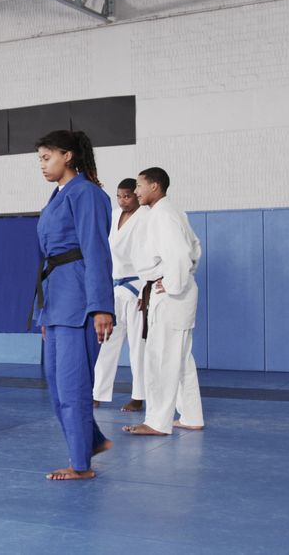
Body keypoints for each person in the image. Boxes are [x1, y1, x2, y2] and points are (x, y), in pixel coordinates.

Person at [32, 130, 114, 480]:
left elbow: (96, 249)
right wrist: (44, 313)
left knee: (72, 385)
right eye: (39, 159)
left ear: (68, 156)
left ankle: (81, 464)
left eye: (46, 157)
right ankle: (92, 439)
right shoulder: (58, 196)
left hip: (79, 299)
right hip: (56, 299)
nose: (42, 165)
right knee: (54, 382)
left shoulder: (87, 194)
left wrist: (101, 306)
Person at [124, 167, 205, 436]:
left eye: (139, 185)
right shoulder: (169, 212)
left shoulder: (164, 215)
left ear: (155, 186)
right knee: (180, 359)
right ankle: (191, 415)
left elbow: (181, 256)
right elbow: (196, 248)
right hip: (169, 292)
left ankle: (157, 422)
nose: (136, 191)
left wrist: (170, 284)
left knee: (162, 360)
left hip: (171, 296)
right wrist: (149, 290)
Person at [92, 179, 150, 412]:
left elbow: (153, 253)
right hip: (114, 288)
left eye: (127, 196)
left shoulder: (147, 217)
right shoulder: (114, 216)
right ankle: (97, 392)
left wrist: (146, 288)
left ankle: (138, 396)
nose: (123, 200)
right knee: (107, 342)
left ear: (136, 195)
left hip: (137, 287)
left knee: (138, 346)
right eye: (119, 196)